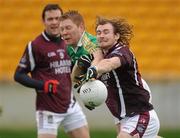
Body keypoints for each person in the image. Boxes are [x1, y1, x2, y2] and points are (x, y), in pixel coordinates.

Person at [14, 4, 90, 138]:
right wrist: (43, 85)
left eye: (57, 18)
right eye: (50, 19)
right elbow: (18, 75)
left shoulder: (69, 42)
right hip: (48, 110)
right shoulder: (35, 46)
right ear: (44, 21)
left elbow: (72, 69)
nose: (54, 22)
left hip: (70, 105)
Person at [85, 16, 160, 138]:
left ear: (116, 36)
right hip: (124, 118)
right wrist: (87, 96)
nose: (101, 35)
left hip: (140, 115)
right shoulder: (100, 55)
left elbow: (110, 63)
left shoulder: (122, 51)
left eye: (106, 32)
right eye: (98, 33)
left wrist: (95, 69)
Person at [59, 10, 103, 95]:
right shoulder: (66, 46)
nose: (64, 33)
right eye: (61, 29)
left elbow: (98, 58)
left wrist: (91, 73)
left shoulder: (88, 42)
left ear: (81, 27)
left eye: (68, 28)